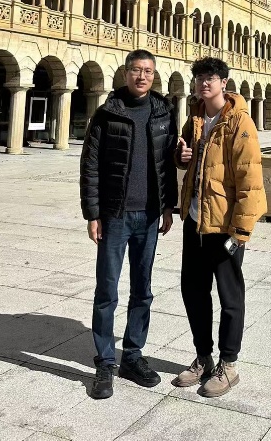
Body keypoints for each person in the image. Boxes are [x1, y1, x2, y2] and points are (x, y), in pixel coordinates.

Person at [80, 49, 178, 399]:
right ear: (126, 73)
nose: (142, 76)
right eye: (136, 70)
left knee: (143, 290)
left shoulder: (164, 111)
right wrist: (93, 214)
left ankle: (133, 356)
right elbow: (90, 164)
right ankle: (106, 361)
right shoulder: (108, 112)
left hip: (149, 215)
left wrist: (168, 207)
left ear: (154, 75)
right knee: (107, 290)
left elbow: (168, 163)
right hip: (115, 215)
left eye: (148, 71)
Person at [172, 57, 267, 397]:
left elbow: (250, 178)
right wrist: (180, 155)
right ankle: (203, 357)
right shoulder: (196, 117)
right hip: (196, 221)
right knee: (193, 292)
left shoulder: (239, 121)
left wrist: (241, 232)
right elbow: (182, 154)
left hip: (225, 227)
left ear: (224, 83)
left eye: (210, 78)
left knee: (229, 296)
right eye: (199, 77)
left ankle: (229, 364)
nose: (204, 83)